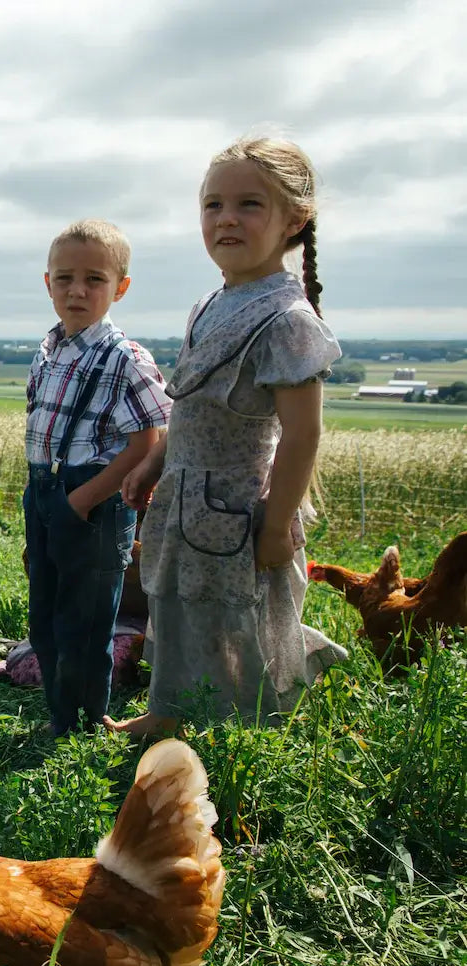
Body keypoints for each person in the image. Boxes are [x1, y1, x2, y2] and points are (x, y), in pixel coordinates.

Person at [106, 137, 348, 736]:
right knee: (182, 611)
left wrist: (274, 524)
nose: (226, 219)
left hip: (238, 507)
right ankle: (169, 713)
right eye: (213, 205)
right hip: (186, 500)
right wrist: (156, 460)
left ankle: (244, 732)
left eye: (248, 204)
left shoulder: (287, 320)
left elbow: (302, 435)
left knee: (238, 619)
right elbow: (189, 405)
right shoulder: (210, 304)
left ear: (295, 220)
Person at [23, 220, 171, 736]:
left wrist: (81, 501)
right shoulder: (48, 351)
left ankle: (85, 727)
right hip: (44, 490)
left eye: (94, 279)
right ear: (48, 283)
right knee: (45, 611)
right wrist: (47, 501)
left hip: (95, 502)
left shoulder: (125, 359)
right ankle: (60, 717)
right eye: (64, 279)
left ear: (120, 288)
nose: (77, 290)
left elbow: (148, 442)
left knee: (85, 622)